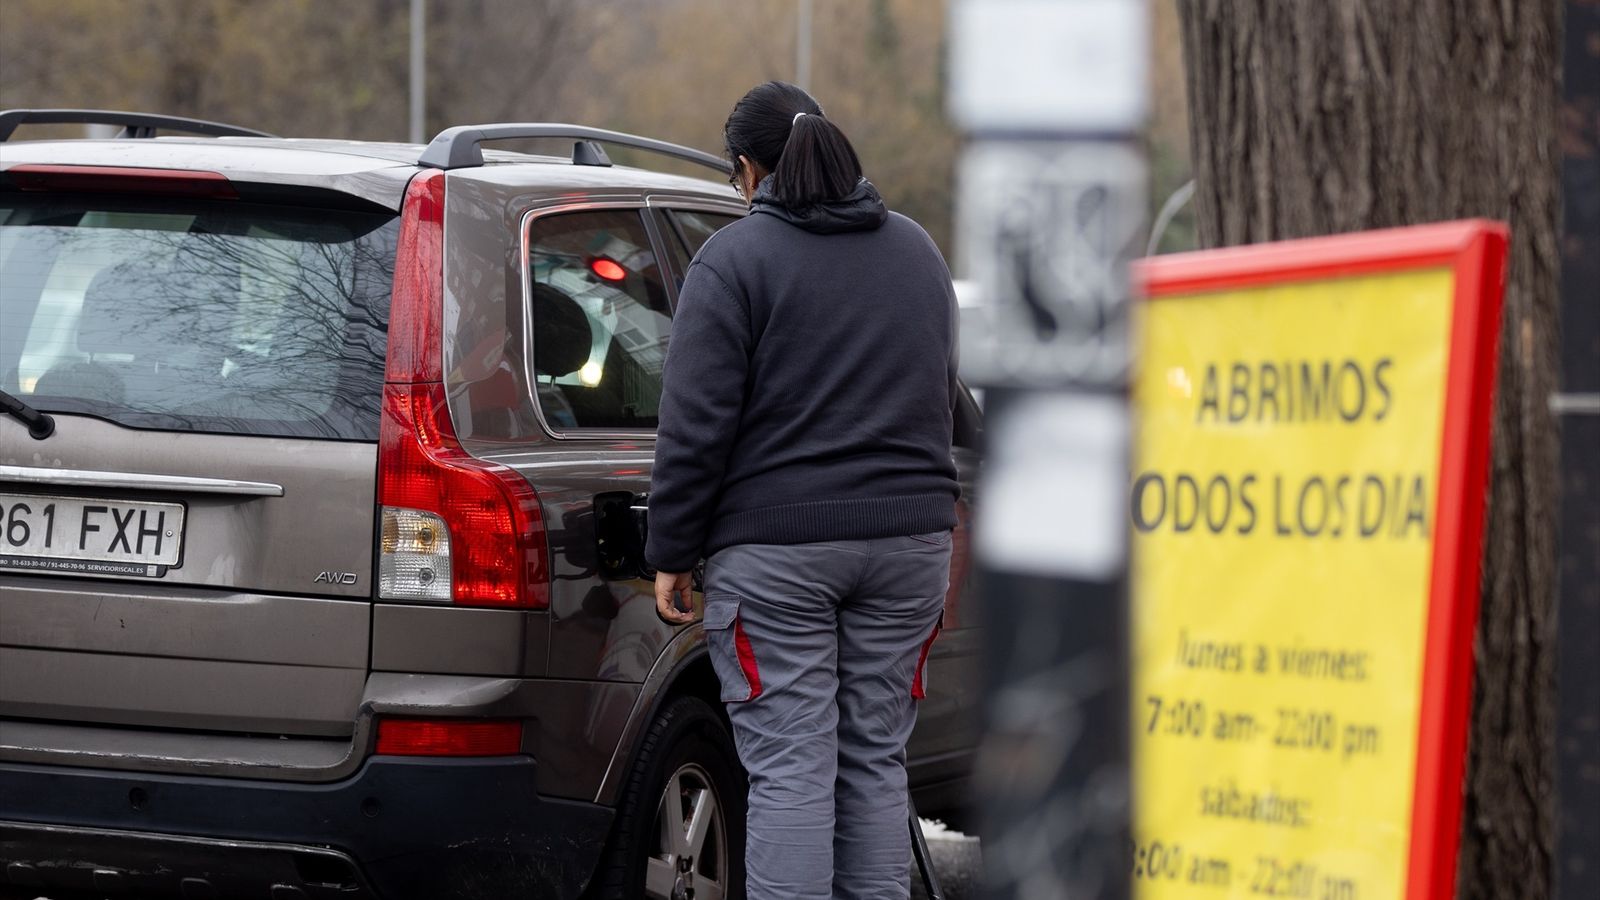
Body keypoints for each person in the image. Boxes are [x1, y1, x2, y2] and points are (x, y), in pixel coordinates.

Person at [646, 81, 960, 900]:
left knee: (791, 769)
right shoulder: (918, 252)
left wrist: (672, 550)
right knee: (874, 762)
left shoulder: (734, 261)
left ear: (748, 170)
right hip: (910, 548)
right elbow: (944, 396)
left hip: (778, 552)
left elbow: (696, 427)